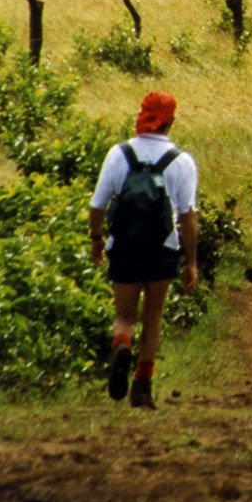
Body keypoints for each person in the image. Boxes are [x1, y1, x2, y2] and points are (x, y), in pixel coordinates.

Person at [88, 91, 199, 409]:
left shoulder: (118, 154)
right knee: (153, 314)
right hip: (163, 249)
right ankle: (142, 386)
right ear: (171, 120)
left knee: (124, 315)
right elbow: (188, 217)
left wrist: (97, 238)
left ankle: (122, 344)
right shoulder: (182, 161)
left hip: (124, 246)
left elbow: (98, 206)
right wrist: (191, 261)